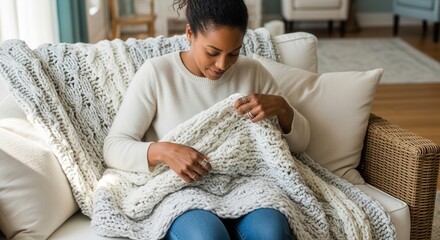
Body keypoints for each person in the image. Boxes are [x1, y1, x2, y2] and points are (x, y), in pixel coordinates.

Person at [104, 0, 310, 239]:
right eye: (212, 52)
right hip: (182, 190)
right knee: (207, 236)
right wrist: (163, 152)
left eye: (234, 53)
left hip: (248, 183)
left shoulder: (253, 72)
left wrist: (284, 111)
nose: (222, 64)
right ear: (189, 33)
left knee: (271, 232)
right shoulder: (158, 73)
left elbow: (301, 146)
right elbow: (114, 147)